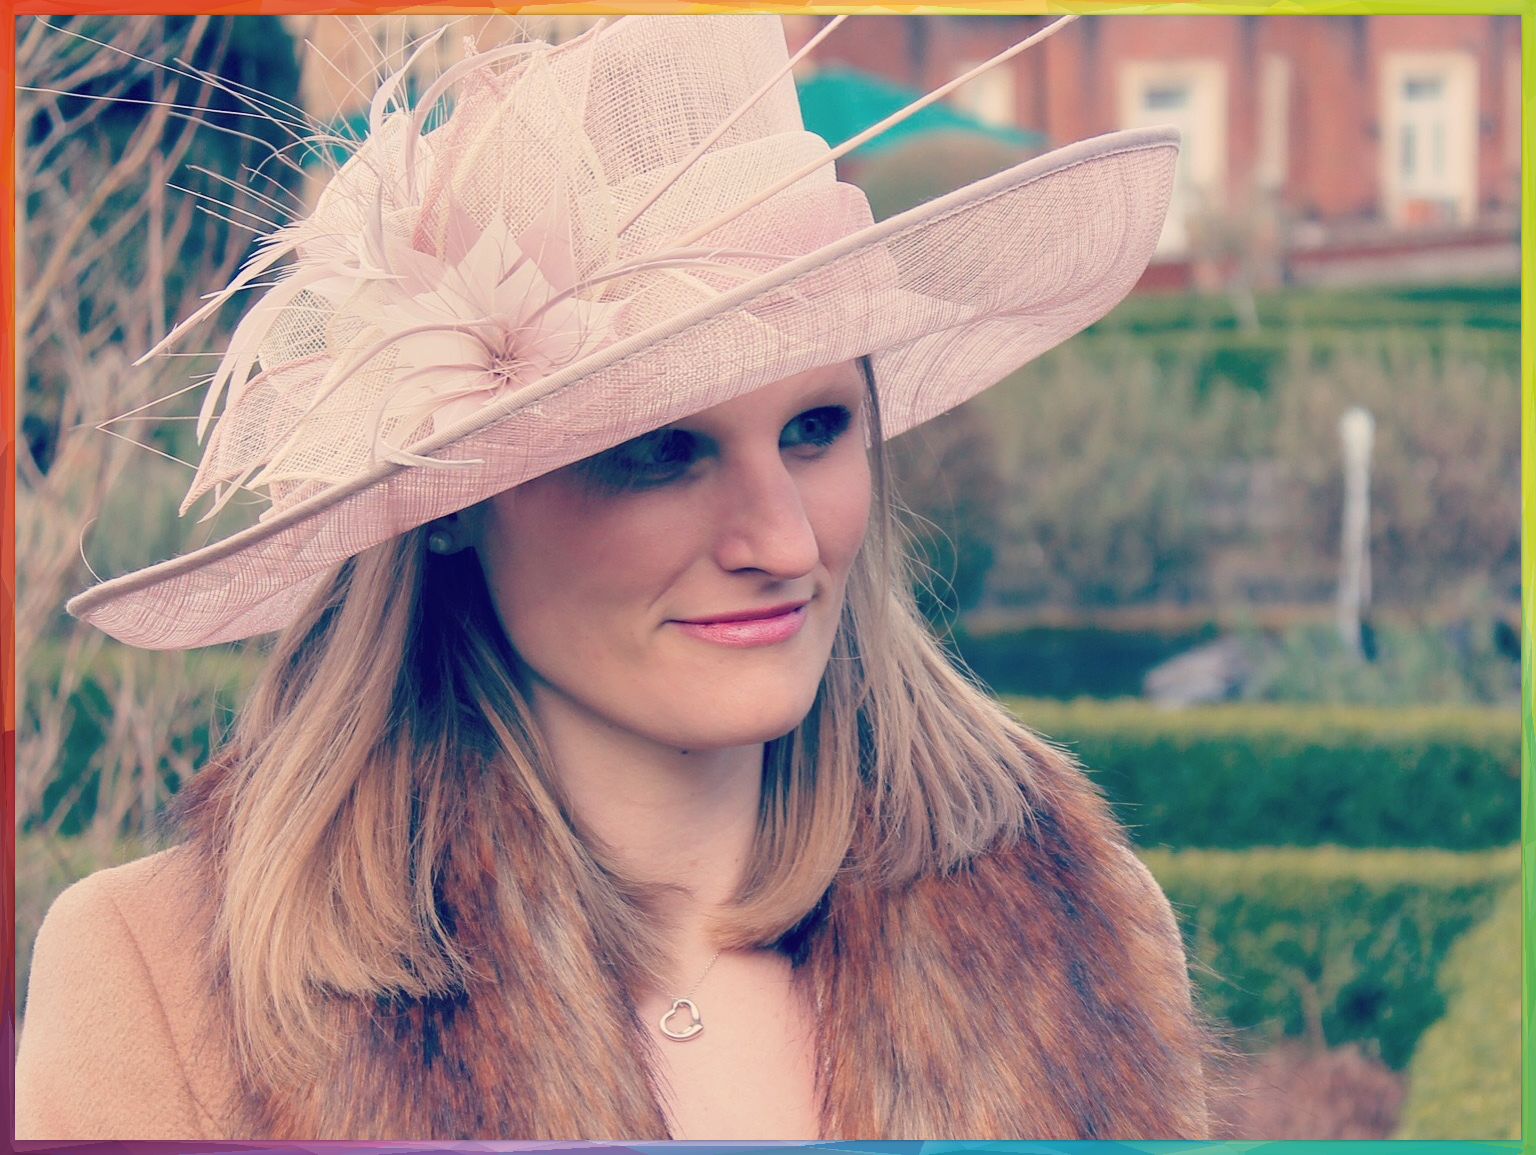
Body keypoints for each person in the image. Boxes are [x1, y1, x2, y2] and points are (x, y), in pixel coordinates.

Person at [18, 14, 1210, 1141]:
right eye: (660, 452)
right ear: (453, 506)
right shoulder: (163, 984)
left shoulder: (1080, 924)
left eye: (815, 429)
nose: (784, 542)